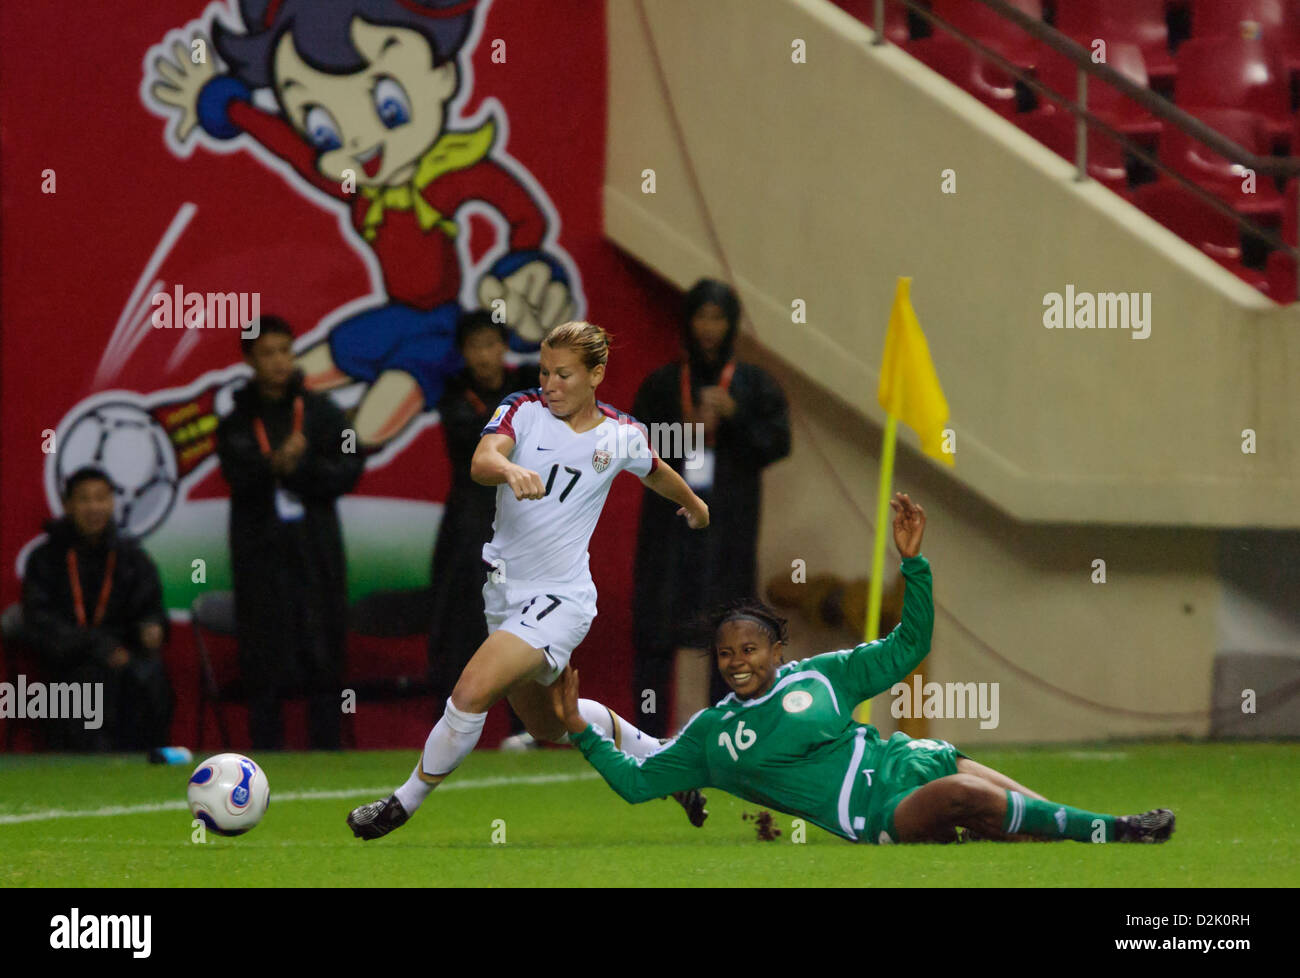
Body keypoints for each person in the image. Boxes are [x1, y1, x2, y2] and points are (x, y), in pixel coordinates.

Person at [556, 493, 1176, 845]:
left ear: (777, 651)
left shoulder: (824, 674)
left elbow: (911, 645)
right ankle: (1118, 829)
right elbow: (638, 783)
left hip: (911, 760)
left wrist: (915, 566)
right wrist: (582, 733)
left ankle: (1092, 835)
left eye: (749, 649)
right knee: (968, 798)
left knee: (1022, 819)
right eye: (725, 653)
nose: (737, 662)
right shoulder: (711, 736)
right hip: (875, 813)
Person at [348, 321, 712, 839]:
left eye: (563, 374)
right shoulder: (522, 409)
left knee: (470, 692)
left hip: (561, 600)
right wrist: (509, 469)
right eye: (545, 371)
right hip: (504, 593)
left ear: (596, 375)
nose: (551, 383)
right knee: (550, 724)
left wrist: (694, 505)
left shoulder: (620, 434)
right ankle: (666, 760)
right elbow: (482, 459)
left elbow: (654, 469)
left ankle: (400, 805)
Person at [631, 278, 790, 737]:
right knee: (656, 628)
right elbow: (632, 449)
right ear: (688, 321)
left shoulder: (754, 384)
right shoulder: (663, 384)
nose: (709, 327)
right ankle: (648, 737)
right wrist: (684, 429)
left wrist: (736, 417)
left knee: (729, 632)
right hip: (668, 529)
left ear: (732, 324)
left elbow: (778, 443)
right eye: (701, 315)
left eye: (718, 317)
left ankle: (725, 734)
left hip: (729, 530)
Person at [216, 316, 364, 749]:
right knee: (263, 661)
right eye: (267, 353)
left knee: (324, 654)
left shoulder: (323, 412)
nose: (279, 362)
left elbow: (350, 468)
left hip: (316, 549)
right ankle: (264, 761)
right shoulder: (236, 420)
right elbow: (235, 472)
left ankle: (329, 754)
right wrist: (271, 465)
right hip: (260, 553)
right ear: (249, 359)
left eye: (285, 350)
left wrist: (300, 468)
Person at [428, 310, 538, 743]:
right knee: (466, 625)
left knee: (522, 623)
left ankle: (525, 728)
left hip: (522, 524)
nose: (487, 355)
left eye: (493, 344)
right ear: (463, 353)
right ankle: (454, 730)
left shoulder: (527, 392)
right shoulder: (454, 399)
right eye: (476, 346)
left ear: (505, 347)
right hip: (470, 528)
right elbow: (478, 446)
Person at [21, 467, 174, 750]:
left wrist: (152, 626)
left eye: (101, 498)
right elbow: (39, 621)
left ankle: (150, 759)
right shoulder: (45, 559)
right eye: (84, 499)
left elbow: (150, 608)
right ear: (68, 505)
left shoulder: (132, 558)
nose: (94, 507)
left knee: (150, 675)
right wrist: (96, 646)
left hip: (123, 657)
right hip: (69, 659)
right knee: (89, 677)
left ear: (112, 503)